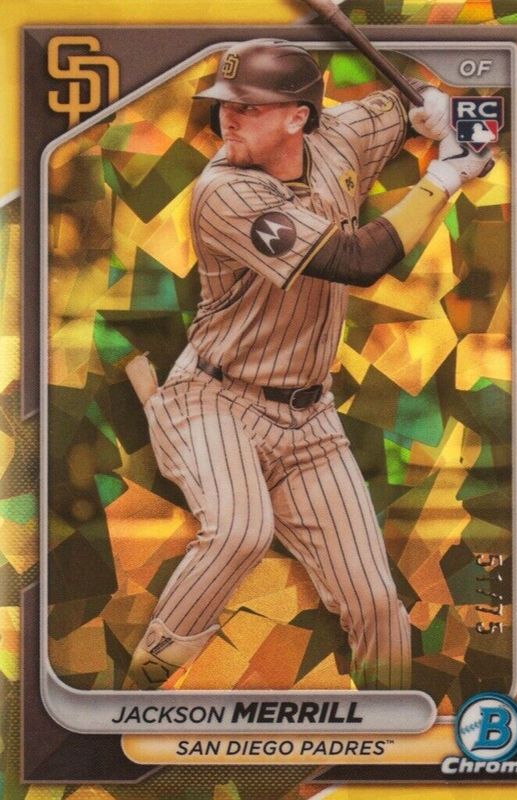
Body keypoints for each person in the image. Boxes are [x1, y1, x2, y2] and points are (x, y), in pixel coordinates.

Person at [126, 39, 491, 691]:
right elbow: (356, 259)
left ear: (298, 117)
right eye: (224, 106)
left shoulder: (340, 135)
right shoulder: (225, 192)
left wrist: (442, 108)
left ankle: (386, 730)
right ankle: (141, 684)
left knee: (375, 604)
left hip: (309, 421)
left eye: (248, 108)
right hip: (213, 401)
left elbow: (410, 100)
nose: (228, 119)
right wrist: (442, 178)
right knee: (239, 531)